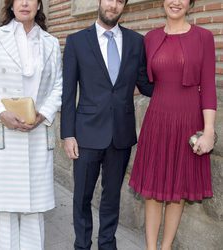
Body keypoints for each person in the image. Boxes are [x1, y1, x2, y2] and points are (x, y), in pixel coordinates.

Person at [60, 0, 153, 249]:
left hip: (120, 134)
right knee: (82, 196)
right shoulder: (77, 41)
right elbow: (68, 93)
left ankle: (107, 244)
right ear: (99, 2)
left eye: (119, 1)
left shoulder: (136, 41)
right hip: (86, 134)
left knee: (112, 197)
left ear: (124, 6)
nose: (113, 5)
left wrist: (180, 89)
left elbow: (145, 83)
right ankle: (82, 244)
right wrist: (68, 134)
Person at [129, 0, 217, 249]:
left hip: (188, 122)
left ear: (190, 4)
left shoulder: (204, 37)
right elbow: (141, 79)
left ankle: (165, 247)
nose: (175, 2)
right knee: (153, 191)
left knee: (177, 191)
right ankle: (150, 248)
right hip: (157, 121)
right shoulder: (151, 38)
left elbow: (209, 87)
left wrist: (208, 131)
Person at [0, 0, 62, 249]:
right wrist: (2, 113)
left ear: (38, 5)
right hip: (4, 132)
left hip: (36, 132)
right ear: (11, 6)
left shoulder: (50, 43)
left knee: (35, 209)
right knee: (6, 209)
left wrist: (43, 114)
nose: (25, 3)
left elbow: (58, 85)